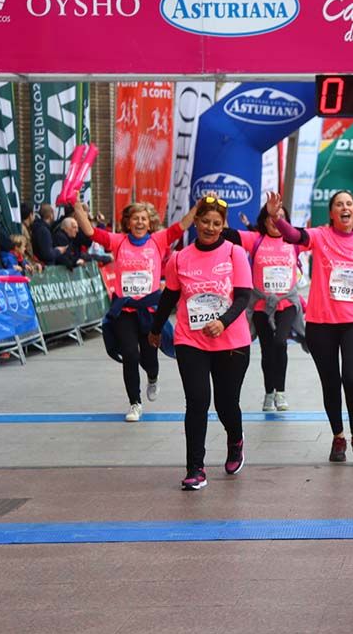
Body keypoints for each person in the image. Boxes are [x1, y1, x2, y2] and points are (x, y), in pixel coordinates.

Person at [149, 195, 253, 488]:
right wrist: (156, 329)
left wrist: (223, 322)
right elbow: (169, 296)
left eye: (216, 223)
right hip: (190, 339)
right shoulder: (180, 257)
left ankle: (235, 440)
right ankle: (195, 468)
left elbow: (244, 295)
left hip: (231, 339)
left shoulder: (234, 253)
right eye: (205, 221)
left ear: (223, 226)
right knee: (197, 402)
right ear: (195, 222)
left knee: (225, 403)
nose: (209, 227)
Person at [274, 190, 353, 463]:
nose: (345, 207)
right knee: (330, 382)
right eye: (339, 204)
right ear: (331, 213)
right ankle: (338, 438)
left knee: (352, 379)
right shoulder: (320, 235)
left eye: (349, 203)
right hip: (321, 324)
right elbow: (295, 236)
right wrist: (277, 218)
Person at [74, 198, 197, 421]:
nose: (140, 222)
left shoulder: (158, 241)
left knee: (149, 358)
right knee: (130, 354)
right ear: (128, 223)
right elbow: (91, 232)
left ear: (150, 224)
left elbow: (181, 227)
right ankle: (134, 403)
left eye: (144, 219)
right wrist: (77, 208)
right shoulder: (118, 241)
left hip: (150, 310)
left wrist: (197, 208)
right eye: (135, 219)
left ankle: (152, 377)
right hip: (125, 309)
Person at [249, 192, 307, 412]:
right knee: (267, 349)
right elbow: (227, 234)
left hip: (288, 302)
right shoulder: (255, 240)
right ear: (264, 220)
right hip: (261, 305)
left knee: (280, 342)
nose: (276, 222)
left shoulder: (294, 243)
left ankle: (280, 392)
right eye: (272, 218)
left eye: (280, 218)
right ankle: (268, 392)